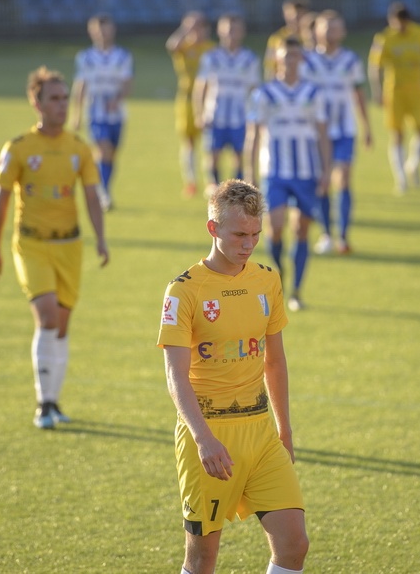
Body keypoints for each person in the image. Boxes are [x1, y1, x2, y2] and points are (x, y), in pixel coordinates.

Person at [157, 179, 308, 574]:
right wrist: (204, 440)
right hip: (210, 437)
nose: (249, 244)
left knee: (294, 545)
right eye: (240, 234)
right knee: (202, 559)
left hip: (260, 434)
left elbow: (275, 362)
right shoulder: (183, 291)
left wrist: (285, 431)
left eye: (256, 235)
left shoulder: (267, 279)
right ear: (213, 229)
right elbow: (175, 376)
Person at [0, 66, 109, 429]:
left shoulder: (78, 148)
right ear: (36, 103)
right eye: (54, 99)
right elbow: (1, 199)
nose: (61, 105)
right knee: (48, 316)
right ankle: (43, 404)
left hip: (70, 245)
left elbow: (91, 196)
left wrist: (101, 238)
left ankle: (55, 401)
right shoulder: (19, 148)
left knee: (63, 325)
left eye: (64, 98)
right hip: (31, 244)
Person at [246, 37, 330, 312]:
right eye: (286, 56)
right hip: (275, 172)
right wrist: (250, 174)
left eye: (295, 55)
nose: (291, 61)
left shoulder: (313, 93)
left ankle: (296, 290)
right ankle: (279, 273)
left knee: (301, 228)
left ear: (301, 60)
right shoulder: (265, 94)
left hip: (307, 172)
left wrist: (327, 169)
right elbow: (254, 135)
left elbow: (322, 133)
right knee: (276, 224)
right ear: (277, 59)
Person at [300, 10, 372, 255]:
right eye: (326, 27)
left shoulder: (350, 60)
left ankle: (342, 236)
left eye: (336, 27)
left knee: (343, 178)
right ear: (316, 30)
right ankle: (326, 234)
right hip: (316, 133)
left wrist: (367, 126)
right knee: (322, 183)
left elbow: (359, 94)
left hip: (344, 130)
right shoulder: (307, 61)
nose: (331, 32)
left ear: (343, 32)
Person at [368, 2, 420, 194]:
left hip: (417, 90)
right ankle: (400, 179)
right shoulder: (384, 38)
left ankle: (412, 164)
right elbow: (376, 66)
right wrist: (376, 90)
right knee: (397, 134)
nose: (399, 27)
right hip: (395, 91)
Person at [193, 14, 260, 197]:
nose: (231, 33)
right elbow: (201, 87)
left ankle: (236, 191)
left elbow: (255, 90)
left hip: (240, 115)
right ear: (220, 31)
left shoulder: (249, 58)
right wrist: (199, 113)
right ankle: (214, 188)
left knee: (240, 155)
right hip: (215, 115)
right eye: (228, 29)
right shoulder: (211, 57)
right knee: (212, 154)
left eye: (235, 29)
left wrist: (255, 115)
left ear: (242, 32)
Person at [72, 14, 133, 211]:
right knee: (103, 150)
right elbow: (80, 85)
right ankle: (103, 193)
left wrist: (117, 100)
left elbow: (127, 83)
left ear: (112, 30)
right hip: (96, 114)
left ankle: (104, 188)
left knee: (111, 155)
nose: (102, 33)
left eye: (105, 28)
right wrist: (76, 114)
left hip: (117, 115)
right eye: (97, 29)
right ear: (91, 32)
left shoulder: (123, 56)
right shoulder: (85, 57)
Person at [167, 12, 216, 198]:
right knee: (188, 141)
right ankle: (191, 181)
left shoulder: (211, 49)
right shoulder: (185, 47)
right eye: (190, 27)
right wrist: (185, 29)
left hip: (209, 100)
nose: (194, 30)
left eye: (197, 26)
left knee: (210, 143)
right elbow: (172, 46)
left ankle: (210, 181)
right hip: (186, 99)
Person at [264, 0, 311, 80]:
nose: (295, 18)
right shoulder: (277, 38)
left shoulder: (310, 37)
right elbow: (270, 65)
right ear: (285, 14)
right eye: (292, 14)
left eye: (300, 14)